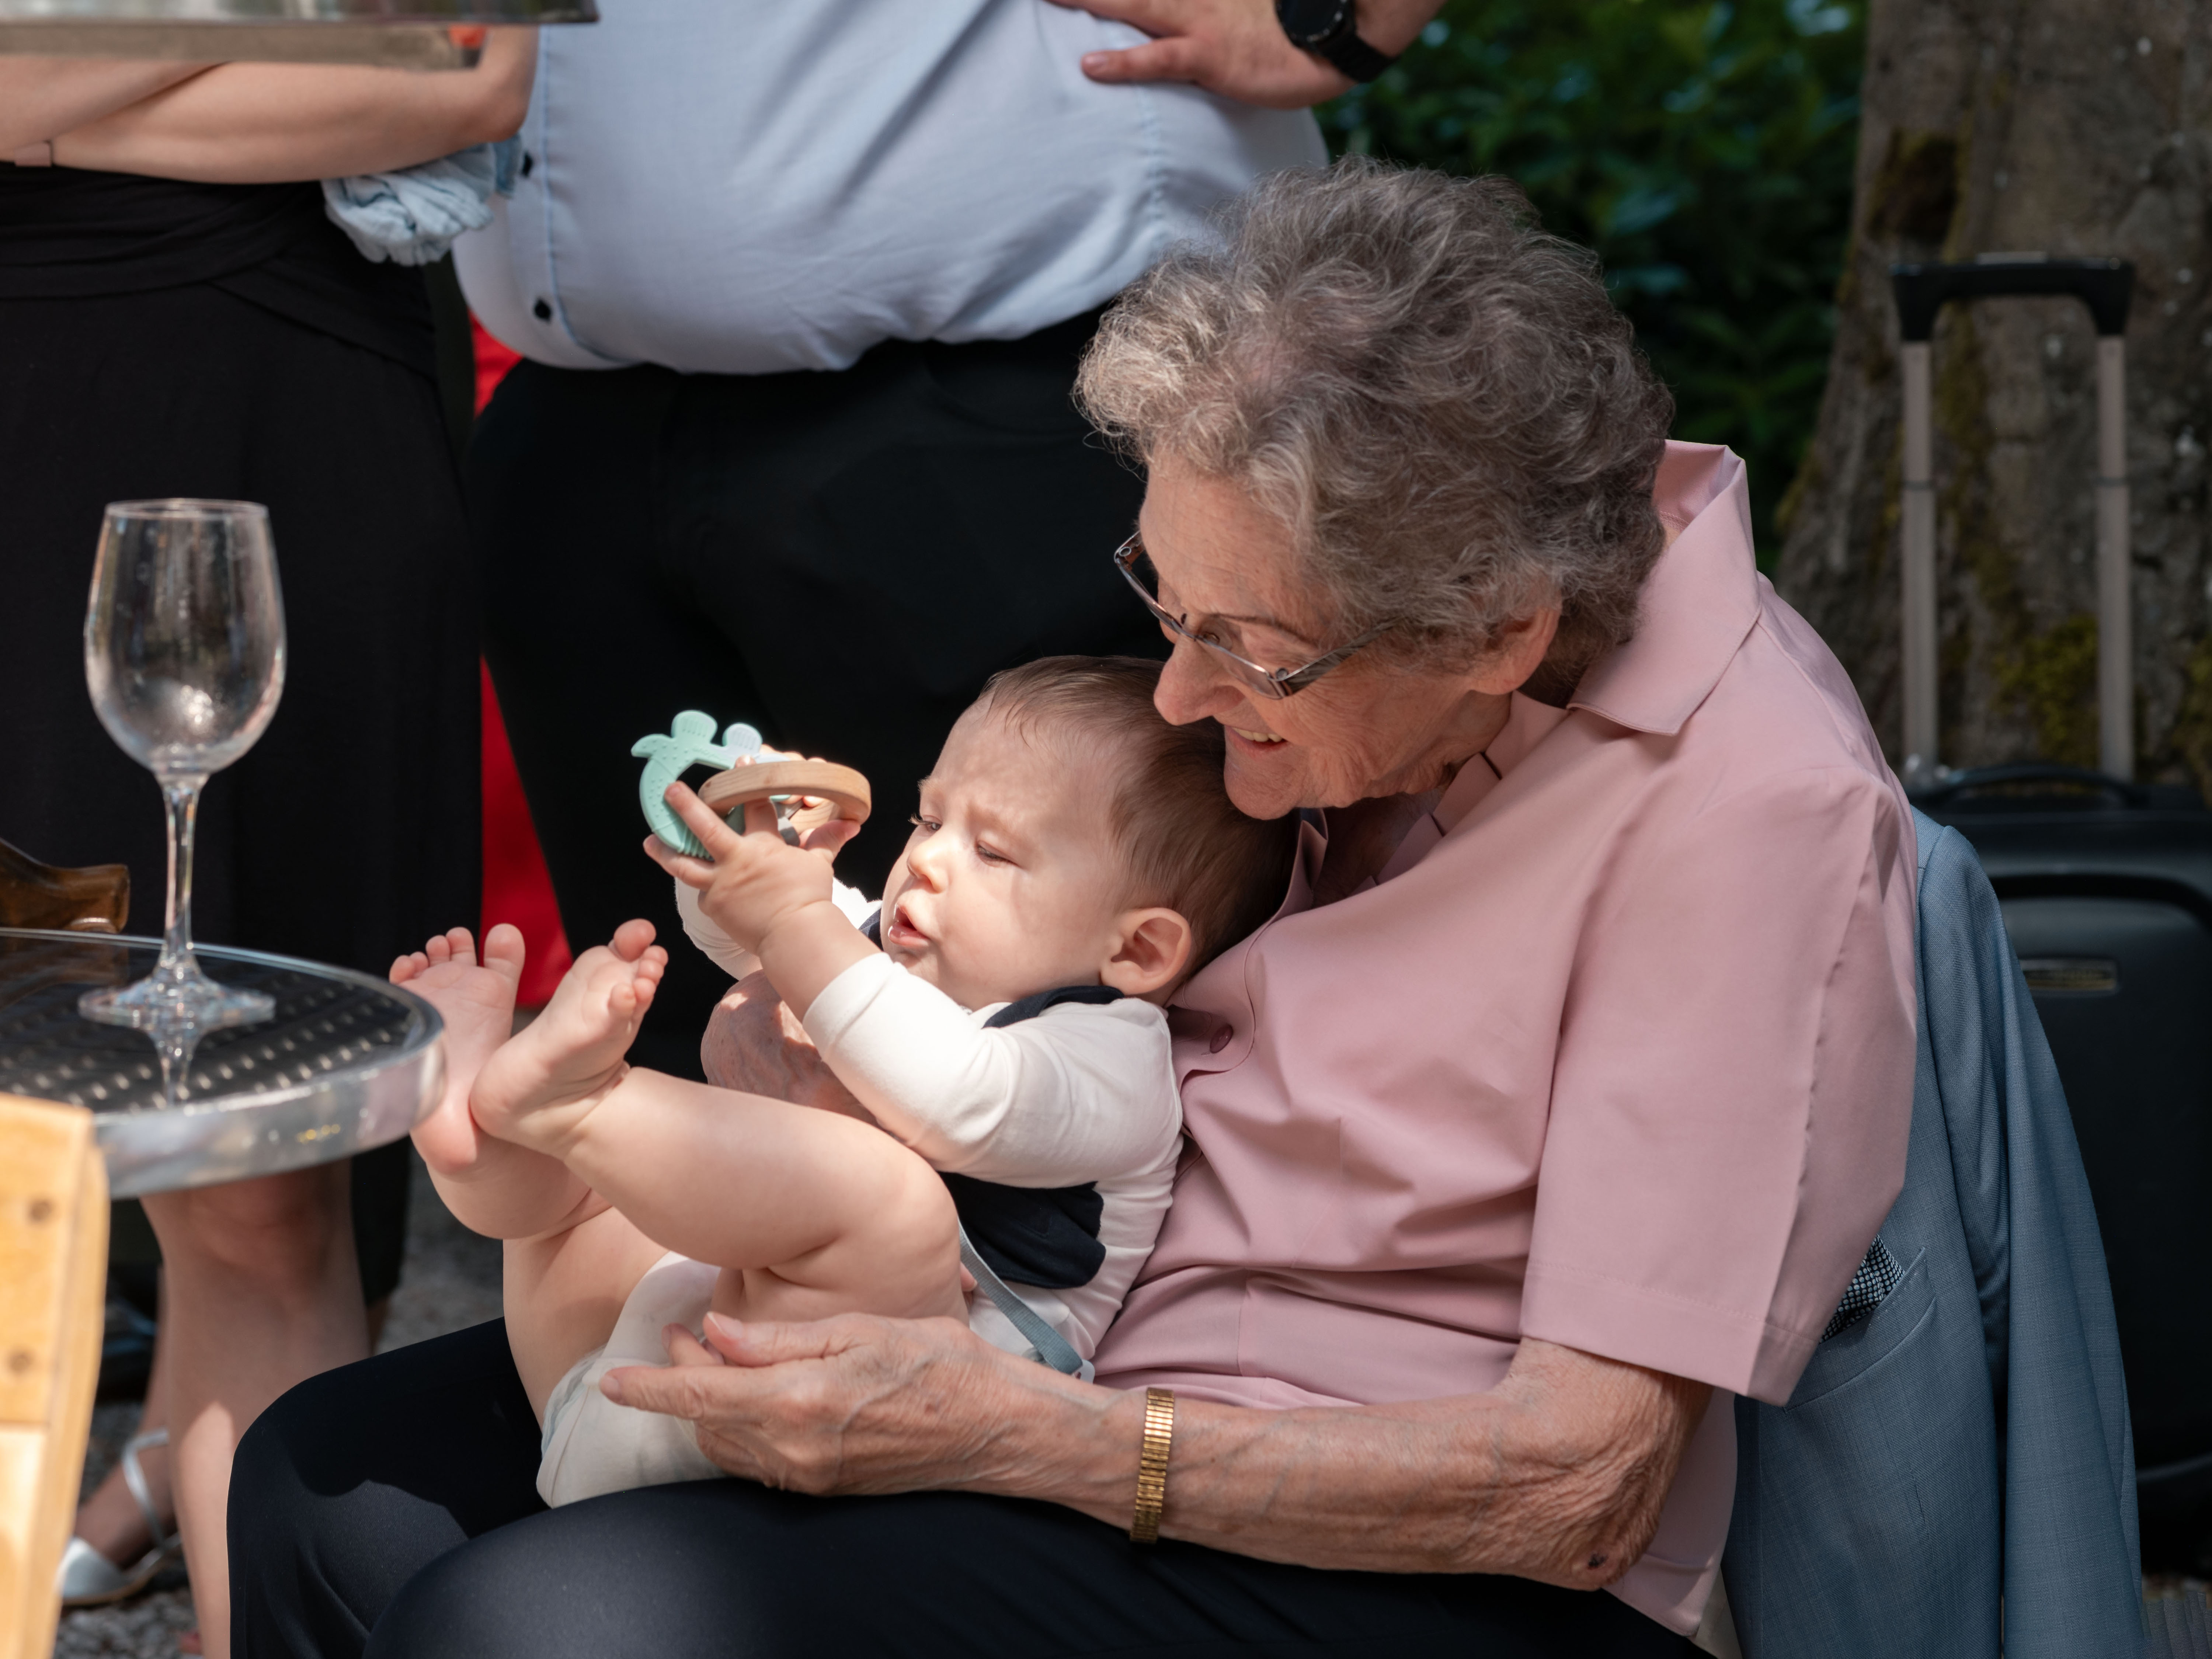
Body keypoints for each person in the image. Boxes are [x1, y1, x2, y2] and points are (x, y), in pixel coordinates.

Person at [231, 160, 1917, 1658]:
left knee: (546, 1621)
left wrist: (1022, 1439)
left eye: (1244, 653)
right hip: (1054, 1352)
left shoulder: (1742, 813)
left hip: (1390, 1548)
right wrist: (818, 998)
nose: (1176, 696)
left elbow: (1578, 1486)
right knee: (328, 1487)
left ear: (1494, 634)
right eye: (1162, 604)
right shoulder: (1365, 615)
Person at [451, 0, 1447, 1081]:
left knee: (1065, 1052)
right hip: (583, 413)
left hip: (1006, 387)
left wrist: (1334, 19)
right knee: (669, 1035)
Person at [0, 37, 533, 1657]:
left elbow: (471, 83)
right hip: (43, 397)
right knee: (75, 1112)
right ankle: (157, 1484)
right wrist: (257, 30)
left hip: (266, 411)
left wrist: (52, 98)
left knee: (250, 1168)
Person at [390, 658, 1291, 1508]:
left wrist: (793, 917)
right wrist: (752, 857)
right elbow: (749, 938)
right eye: (929, 821)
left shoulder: (1111, 1057)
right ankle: (483, 1137)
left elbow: (957, 1097)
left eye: (993, 852)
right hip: (632, 1356)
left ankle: (574, 1106)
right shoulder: (887, 953)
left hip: (874, 1408)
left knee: (891, 1199)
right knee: (588, 1195)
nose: (927, 860)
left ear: (1138, 950)